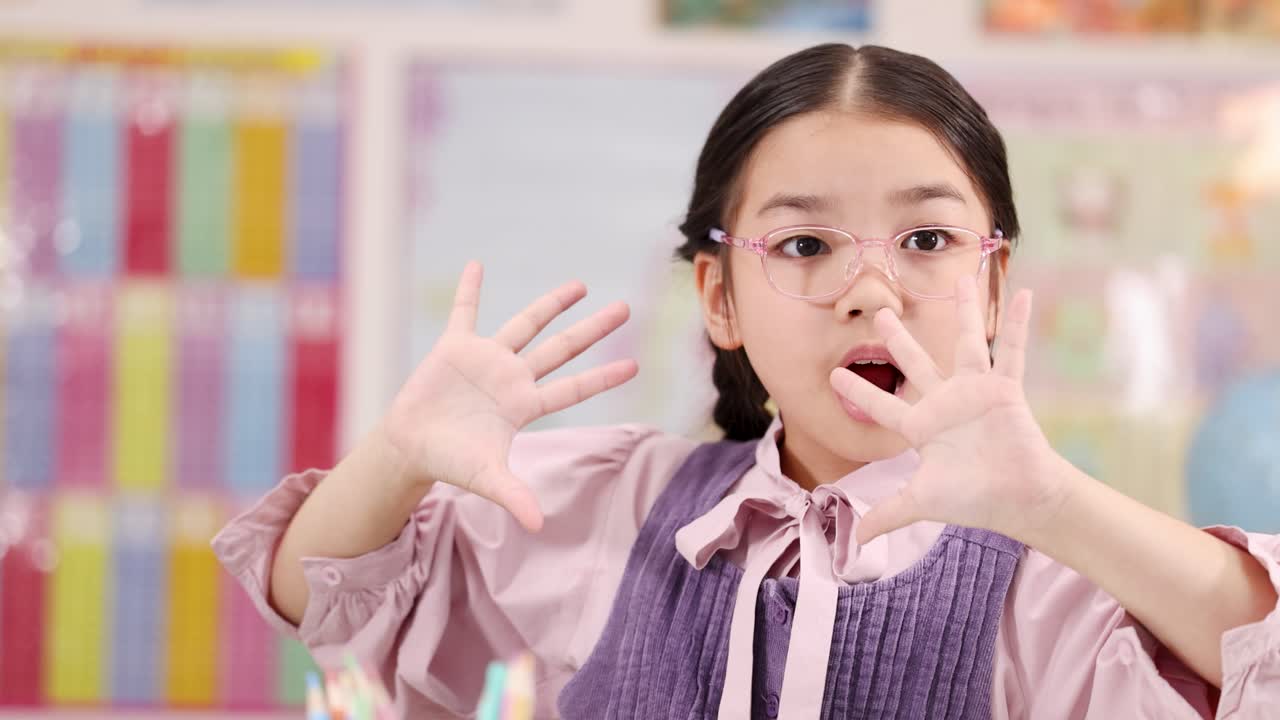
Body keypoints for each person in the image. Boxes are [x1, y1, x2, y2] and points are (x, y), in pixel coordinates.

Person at [213, 44, 1280, 718]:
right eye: (805, 247)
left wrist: (1050, 506)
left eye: (924, 237)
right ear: (718, 297)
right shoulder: (615, 506)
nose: (871, 291)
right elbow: (322, 597)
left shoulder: (1061, 576)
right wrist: (397, 456)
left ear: (993, 284)